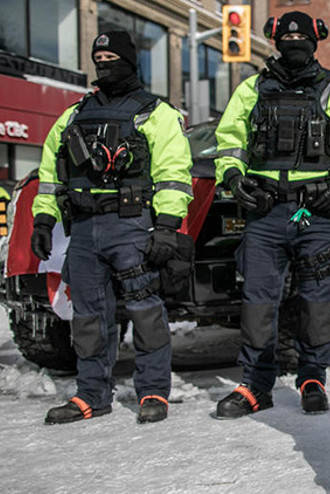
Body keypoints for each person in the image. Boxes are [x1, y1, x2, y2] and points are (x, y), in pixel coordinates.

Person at [213, 12, 330, 417]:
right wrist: (234, 180)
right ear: (274, 39)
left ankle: (312, 378)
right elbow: (229, 141)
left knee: (319, 300)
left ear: (316, 40)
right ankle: (255, 385)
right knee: (257, 300)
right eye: (286, 36)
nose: (293, 42)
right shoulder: (251, 89)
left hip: (319, 211)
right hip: (265, 212)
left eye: (300, 36)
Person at [32, 31, 192, 424]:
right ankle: (91, 395)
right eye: (98, 56)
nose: (104, 63)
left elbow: (174, 174)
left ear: (129, 60)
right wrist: (43, 218)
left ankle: (154, 390)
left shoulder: (155, 113)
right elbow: (50, 175)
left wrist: (167, 226)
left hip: (132, 225)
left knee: (145, 313)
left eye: (111, 56)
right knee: (88, 317)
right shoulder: (72, 116)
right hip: (84, 230)